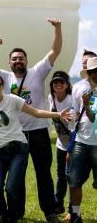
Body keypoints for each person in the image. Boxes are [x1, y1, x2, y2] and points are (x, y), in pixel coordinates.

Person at [0, 18, 62, 222]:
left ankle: (49, 211)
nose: (18, 61)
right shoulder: (4, 77)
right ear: (9, 62)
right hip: (15, 135)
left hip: (38, 131)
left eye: (21, 59)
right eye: (15, 59)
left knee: (43, 173)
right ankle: (16, 214)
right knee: (16, 179)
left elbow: (54, 51)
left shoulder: (38, 72)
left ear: (27, 61)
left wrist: (58, 29)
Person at [0, 74, 70, 223]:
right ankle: (5, 215)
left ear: (2, 86)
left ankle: (12, 217)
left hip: (18, 148)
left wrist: (58, 114)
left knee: (11, 188)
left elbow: (36, 112)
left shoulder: (13, 100)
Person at [67, 56, 97, 223]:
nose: (95, 74)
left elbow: (93, 117)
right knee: (74, 179)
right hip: (81, 141)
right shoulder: (78, 87)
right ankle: (75, 215)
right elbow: (75, 115)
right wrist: (71, 145)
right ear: (88, 72)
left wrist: (87, 105)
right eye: (92, 71)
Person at [48, 71, 74, 216]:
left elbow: (76, 127)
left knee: (70, 175)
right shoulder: (51, 98)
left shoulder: (71, 101)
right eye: (55, 82)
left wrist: (70, 149)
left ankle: (72, 209)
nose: (58, 84)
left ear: (67, 85)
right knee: (60, 175)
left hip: (73, 144)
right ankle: (58, 204)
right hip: (60, 144)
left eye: (61, 82)